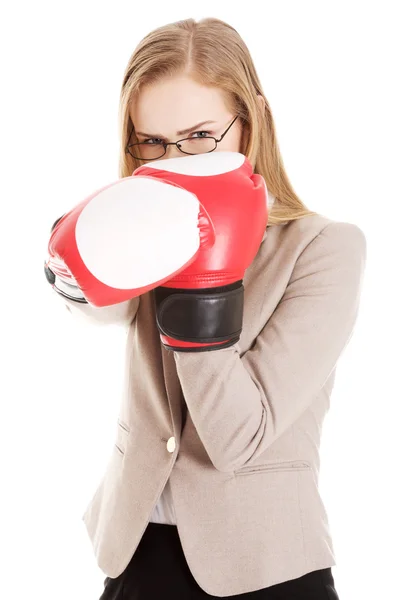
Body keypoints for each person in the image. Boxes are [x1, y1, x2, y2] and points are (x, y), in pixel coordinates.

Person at [44, 16, 367, 599]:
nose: (177, 161)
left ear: (254, 122)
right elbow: (97, 309)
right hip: (135, 543)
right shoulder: (146, 234)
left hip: (264, 562)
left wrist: (204, 278)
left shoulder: (324, 249)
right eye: (152, 141)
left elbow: (239, 437)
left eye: (199, 136)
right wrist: (78, 255)